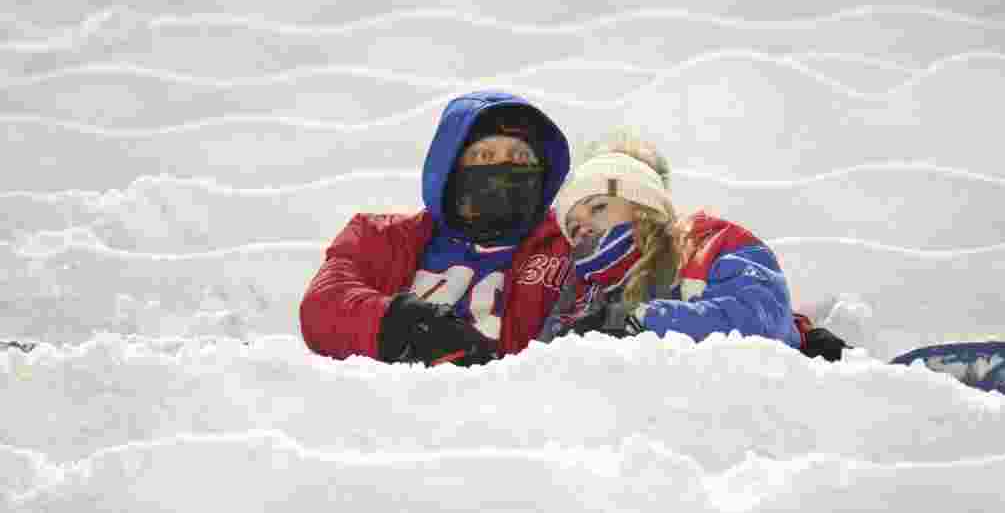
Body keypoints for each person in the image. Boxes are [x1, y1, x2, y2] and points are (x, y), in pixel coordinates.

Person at [300, 91, 572, 366]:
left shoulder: (569, 242)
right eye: (484, 155)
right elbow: (322, 306)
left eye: (520, 157)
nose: (503, 169)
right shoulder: (380, 236)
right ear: (451, 169)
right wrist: (407, 325)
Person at [539, 131, 847, 360]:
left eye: (598, 208)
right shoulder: (577, 294)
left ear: (643, 205)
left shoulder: (711, 243)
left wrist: (640, 318)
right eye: (574, 226)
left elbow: (761, 320)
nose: (586, 227)